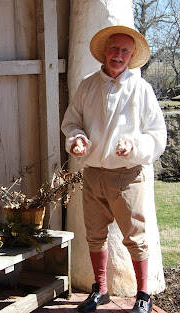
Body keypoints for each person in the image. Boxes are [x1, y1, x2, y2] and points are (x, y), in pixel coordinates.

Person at [61, 25, 167, 313]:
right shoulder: (88, 85)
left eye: (124, 50)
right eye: (113, 49)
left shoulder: (141, 89)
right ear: (104, 52)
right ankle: (101, 290)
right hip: (93, 174)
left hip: (128, 176)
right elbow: (71, 122)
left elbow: (157, 135)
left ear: (131, 56)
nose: (117, 55)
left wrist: (134, 145)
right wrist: (77, 139)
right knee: (94, 235)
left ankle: (143, 295)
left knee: (136, 238)